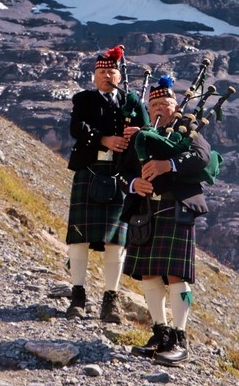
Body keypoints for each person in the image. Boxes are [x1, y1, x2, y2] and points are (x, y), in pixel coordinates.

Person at [120, 75, 212, 366]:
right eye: (154, 103)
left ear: (175, 105)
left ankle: (179, 337)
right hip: (145, 211)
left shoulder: (188, 131)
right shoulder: (141, 136)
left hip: (176, 208)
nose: (159, 107)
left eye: (165, 103)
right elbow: (122, 170)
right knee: (148, 273)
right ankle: (159, 333)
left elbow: (202, 157)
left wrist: (167, 164)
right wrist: (135, 184)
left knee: (175, 275)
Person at [64, 45, 148, 323]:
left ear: (119, 76)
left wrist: (138, 133)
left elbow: (148, 135)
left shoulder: (131, 101)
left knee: (116, 243)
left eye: (110, 71)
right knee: (79, 237)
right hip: (89, 169)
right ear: (94, 76)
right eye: (100, 71)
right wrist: (104, 139)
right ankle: (78, 295)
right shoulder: (84, 99)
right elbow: (77, 128)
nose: (105, 75)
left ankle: (109, 300)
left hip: (120, 175)